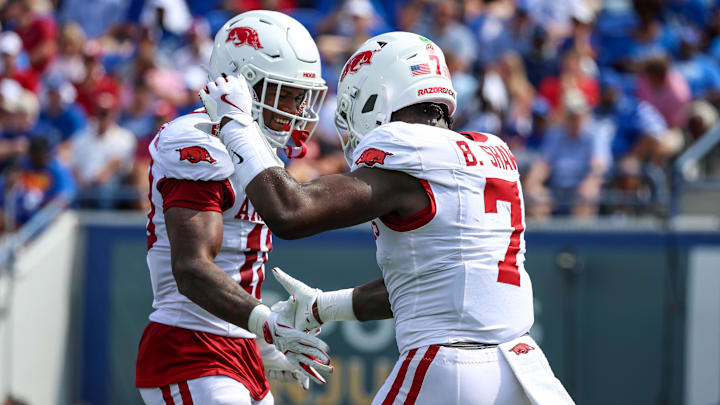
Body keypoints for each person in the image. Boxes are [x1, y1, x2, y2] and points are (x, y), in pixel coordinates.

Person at [200, 31, 573, 404]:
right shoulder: (492, 151)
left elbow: (290, 212)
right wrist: (323, 306)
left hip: (450, 367)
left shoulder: (406, 148)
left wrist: (237, 124)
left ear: (377, 94)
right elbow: (430, 283)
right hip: (525, 371)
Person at [134, 11, 331, 405]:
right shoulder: (199, 141)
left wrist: (259, 340)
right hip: (190, 349)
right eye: (285, 93)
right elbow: (192, 268)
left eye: (301, 96)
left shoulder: (251, 146)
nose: (297, 109)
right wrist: (266, 323)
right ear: (244, 83)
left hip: (236, 350)